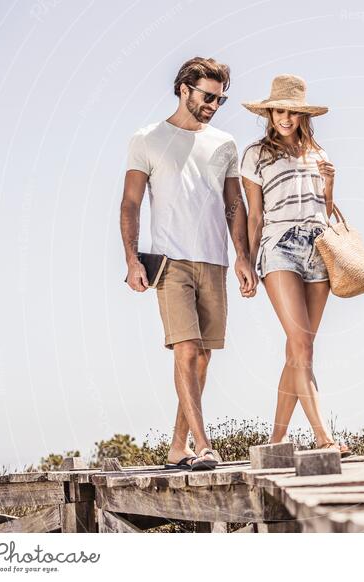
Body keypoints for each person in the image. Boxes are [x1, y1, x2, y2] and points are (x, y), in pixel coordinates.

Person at [120, 57, 256, 471]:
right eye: (207, 96)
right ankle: (204, 445)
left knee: (203, 357)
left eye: (220, 98)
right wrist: (131, 258)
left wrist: (243, 257)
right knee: (186, 348)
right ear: (184, 89)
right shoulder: (147, 139)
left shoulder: (225, 143)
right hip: (170, 262)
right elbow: (130, 202)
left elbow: (235, 205)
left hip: (213, 260)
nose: (214, 104)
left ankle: (178, 447)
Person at [239, 74, 350, 456]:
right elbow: (255, 216)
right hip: (279, 248)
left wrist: (330, 187)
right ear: (269, 112)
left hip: (319, 248)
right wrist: (248, 262)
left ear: (303, 115)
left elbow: (326, 210)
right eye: (279, 110)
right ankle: (325, 438)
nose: (284, 118)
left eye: (292, 112)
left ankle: (277, 440)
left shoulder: (319, 154)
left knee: (298, 350)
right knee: (302, 345)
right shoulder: (255, 154)